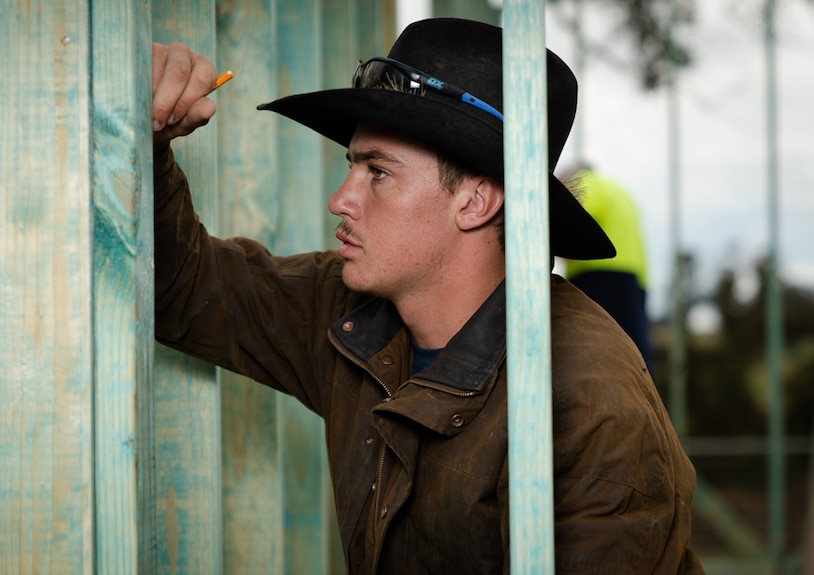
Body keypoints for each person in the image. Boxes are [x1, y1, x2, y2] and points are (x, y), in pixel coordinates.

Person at [150, 18, 704, 574]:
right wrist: (145, 134)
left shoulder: (588, 405)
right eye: (353, 166)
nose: (340, 199)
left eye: (378, 173)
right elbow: (184, 289)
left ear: (476, 201)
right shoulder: (351, 314)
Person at [564, 166, 655, 370]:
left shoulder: (584, 183)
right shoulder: (622, 192)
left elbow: (574, 218)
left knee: (589, 346)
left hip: (595, 273)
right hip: (634, 277)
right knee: (632, 346)